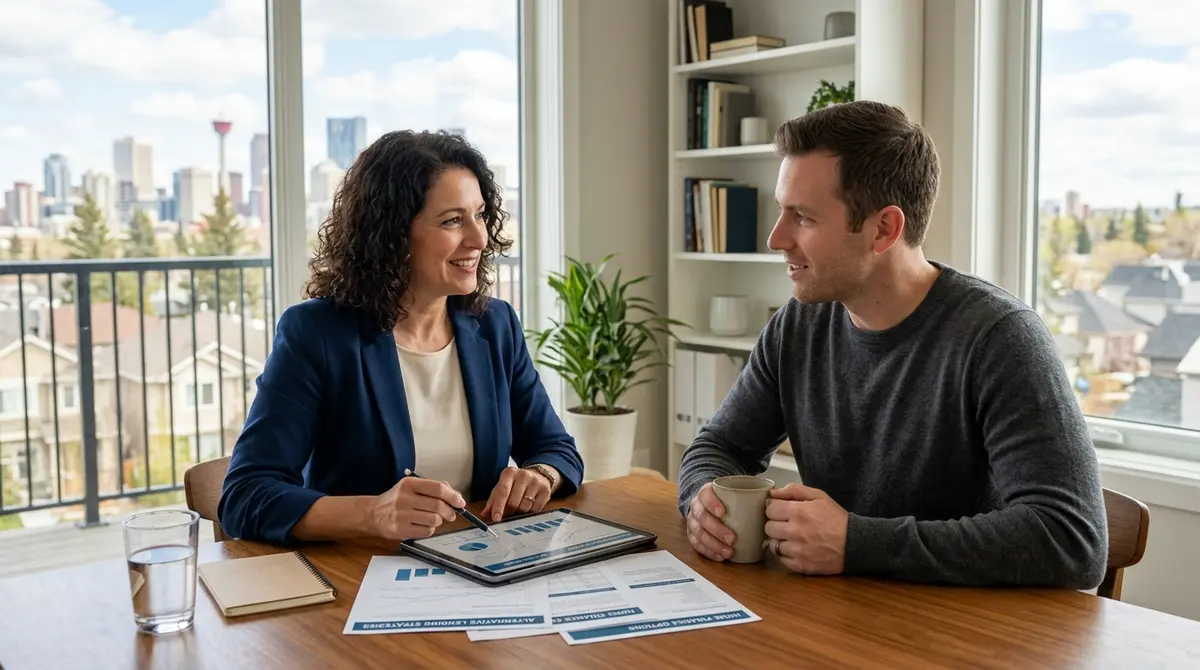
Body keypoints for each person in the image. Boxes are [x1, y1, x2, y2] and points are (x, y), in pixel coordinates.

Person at [677, 100, 1108, 589]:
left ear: (884, 229)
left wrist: (856, 542)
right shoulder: (798, 324)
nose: (777, 238)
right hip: (842, 622)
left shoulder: (1000, 337)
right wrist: (701, 500)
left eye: (803, 217)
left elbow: (1071, 539)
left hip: (964, 639)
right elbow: (720, 445)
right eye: (782, 211)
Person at [218, 130, 583, 544]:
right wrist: (372, 513)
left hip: (481, 565)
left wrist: (540, 475)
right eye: (452, 221)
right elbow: (244, 496)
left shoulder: (495, 325)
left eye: (480, 215)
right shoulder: (316, 335)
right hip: (358, 579)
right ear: (392, 235)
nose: (479, 238)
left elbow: (557, 448)